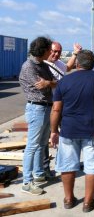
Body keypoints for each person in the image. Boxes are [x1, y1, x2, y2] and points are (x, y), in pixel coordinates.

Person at [50, 50, 94, 212]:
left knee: (67, 166)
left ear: (77, 63)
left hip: (68, 130)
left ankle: (69, 199)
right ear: (93, 65)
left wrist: (53, 131)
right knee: (92, 167)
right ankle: (87, 202)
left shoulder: (64, 81)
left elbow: (56, 109)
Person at [19, 36, 56, 195]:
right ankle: (27, 181)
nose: (51, 52)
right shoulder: (29, 66)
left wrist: (49, 83)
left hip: (46, 107)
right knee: (32, 146)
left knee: (42, 144)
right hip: (37, 109)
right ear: (43, 50)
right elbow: (41, 86)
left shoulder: (42, 65)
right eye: (49, 50)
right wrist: (49, 83)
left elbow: (53, 82)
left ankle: (39, 174)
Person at [42, 41, 82, 178]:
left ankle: (63, 162)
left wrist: (75, 53)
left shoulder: (58, 63)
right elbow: (49, 84)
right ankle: (45, 168)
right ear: (48, 50)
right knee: (48, 136)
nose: (56, 54)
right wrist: (64, 84)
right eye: (53, 51)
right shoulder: (43, 65)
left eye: (58, 52)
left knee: (64, 134)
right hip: (50, 105)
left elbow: (68, 68)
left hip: (62, 105)